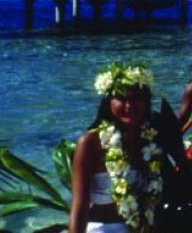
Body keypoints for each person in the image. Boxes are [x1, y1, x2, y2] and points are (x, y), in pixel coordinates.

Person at [69, 62, 165, 233]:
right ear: (108, 101)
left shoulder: (151, 139)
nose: (129, 106)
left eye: (136, 98)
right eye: (121, 98)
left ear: (146, 101)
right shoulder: (90, 143)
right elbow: (79, 207)